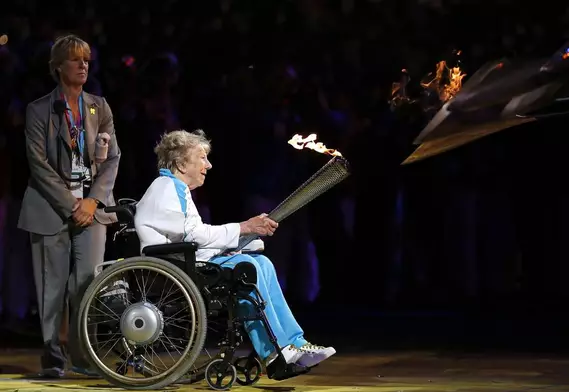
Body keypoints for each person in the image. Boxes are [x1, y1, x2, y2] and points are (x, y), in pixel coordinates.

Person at [134, 129, 335, 373]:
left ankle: (294, 343)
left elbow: (194, 236)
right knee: (248, 268)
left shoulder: (175, 188)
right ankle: (276, 350)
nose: (208, 165)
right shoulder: (167, 187)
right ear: (180, 163)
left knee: (262, 263)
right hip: (178, 269)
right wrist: (243, 228)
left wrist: (245, 238)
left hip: (189, 261)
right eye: (202, 158)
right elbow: (192, 236)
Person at [17, 34, 121, 378]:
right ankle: (53, 359)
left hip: (92, 209)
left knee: (87, 286)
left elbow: (112, 158)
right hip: (50, 208)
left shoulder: (99, 106)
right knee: (52, 288)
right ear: (58, 66)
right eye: (75, 60)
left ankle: (83, 356)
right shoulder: (38, 110)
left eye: (86, 60)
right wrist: (71, 204)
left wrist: (92, 201)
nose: (83, 65)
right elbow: (38, 163)